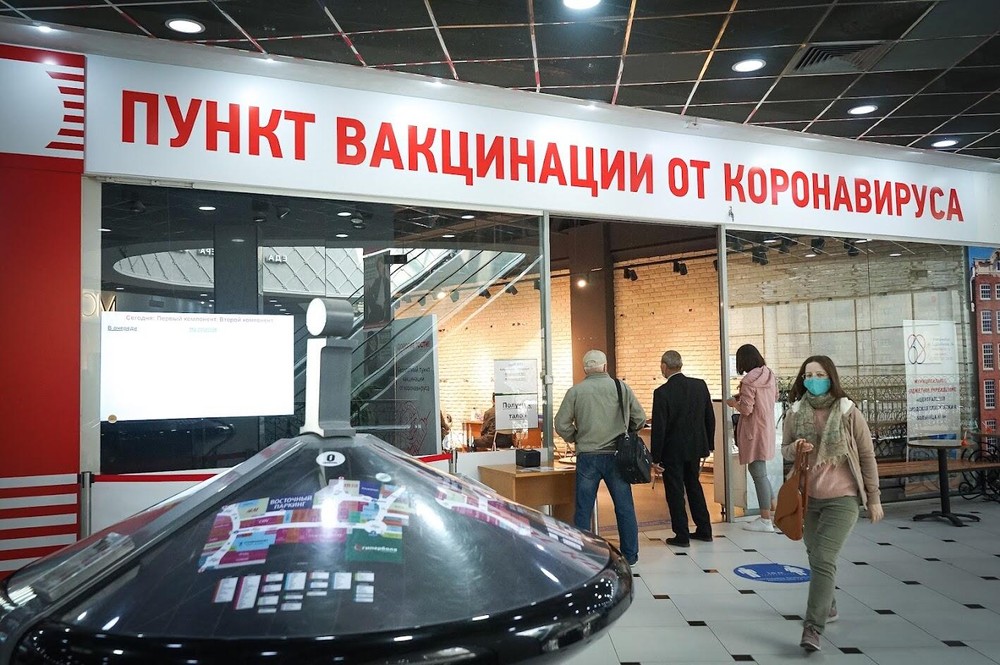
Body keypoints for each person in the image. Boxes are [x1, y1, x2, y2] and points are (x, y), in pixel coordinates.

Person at [783, 355, 882, 653]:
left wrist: (874, 498)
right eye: (808, 375)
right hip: (808, 498)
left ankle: (813, 627)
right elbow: (785, 450)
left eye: (820, 375)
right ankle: (829, 604)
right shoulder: (795, 412)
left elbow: (866, 455)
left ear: (831, 377)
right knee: (815, 554)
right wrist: (796, 447)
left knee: (824, 557)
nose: (813, 380)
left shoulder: (848, 411)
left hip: (843, 498)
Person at [555, 349, 645, 566]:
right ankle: (630, 554)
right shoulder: (621, 387)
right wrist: (626, 432)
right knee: (624, 506)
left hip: (588, 456)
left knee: (583, 508)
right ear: (605, 366)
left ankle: (584, 553)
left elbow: (561, 424)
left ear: (585, 369)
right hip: (617, 455)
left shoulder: (575, 392)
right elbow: (640, 418)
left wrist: (576, 437)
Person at [650, 350, 715, 547]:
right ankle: (704, 529)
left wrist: (656, 458)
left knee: (675, 492)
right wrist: (709, 444)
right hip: (695, 448)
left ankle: (682, 535)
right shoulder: (699, 386)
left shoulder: (662, 393)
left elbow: (659, 428)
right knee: (694, 486)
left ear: (664, 366)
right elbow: (709, 417)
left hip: (672, 451)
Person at [725, 344, 779, 532]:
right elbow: (774, 397)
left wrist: (734, 403)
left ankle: (765, 519)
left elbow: (747, 409)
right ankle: (775, 513)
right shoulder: (769, 374)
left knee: (758, 474)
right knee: (761, 472)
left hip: (753, 431)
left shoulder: (748, 380)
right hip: (766, 428)